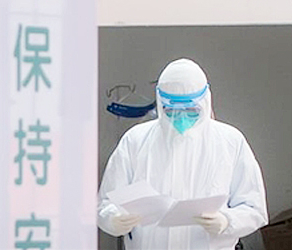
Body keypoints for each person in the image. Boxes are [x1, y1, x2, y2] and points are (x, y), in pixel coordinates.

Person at [97, 58, 268, 249]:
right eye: (171, 110)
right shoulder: (135, 141)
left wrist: (228, 221)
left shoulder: (230, 142)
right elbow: (105, 203)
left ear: (205, 101)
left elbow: (254, 209)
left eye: (191, 110)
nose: (181, 118)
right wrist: (113, 219)